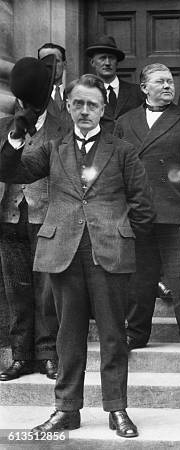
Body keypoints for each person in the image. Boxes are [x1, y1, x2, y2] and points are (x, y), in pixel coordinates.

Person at [0, 71, 155, 437]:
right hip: (64, 252)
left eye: (93, 104)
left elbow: (143, 207)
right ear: (68, 107)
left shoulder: (123, 150)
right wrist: (15, 138)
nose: (85, 110)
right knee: (66, 337)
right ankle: (66, 409)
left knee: (114, 336)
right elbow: (11, 170)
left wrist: (119, 230)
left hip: (108, 254)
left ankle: (117, 409)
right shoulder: (53, 148)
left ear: (103, 108)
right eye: (79, 103)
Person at [114, 63, 180, 353]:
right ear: (144, 88)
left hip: (175, 211)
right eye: (160, 82)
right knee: (139, 279)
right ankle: (136, 333)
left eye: (171, 81)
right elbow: (115, 167)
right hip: (137, 211)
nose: (168, 86)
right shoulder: (125, 122)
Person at [0, 57, 69, 382]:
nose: (25, 105)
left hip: (47, 216)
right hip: (9, 217)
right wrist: (15, 132)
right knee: (16, 289)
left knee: (46, 289)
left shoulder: (64, 126)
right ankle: (20, 355)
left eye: (30, 100)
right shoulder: (3, 126)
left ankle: (47, 353)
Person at [86, 35, 142, 126]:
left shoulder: (137, 92)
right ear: (93, 62)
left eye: (111, 58)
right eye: (102, 58)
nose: (107, 63)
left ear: (117, 62)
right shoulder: (86, 92)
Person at [38, 42, 71, 126]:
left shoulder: (74, 95)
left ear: (64, 64)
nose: (51, 65)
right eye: (46, 61)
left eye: (56, 61)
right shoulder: (31, 99)